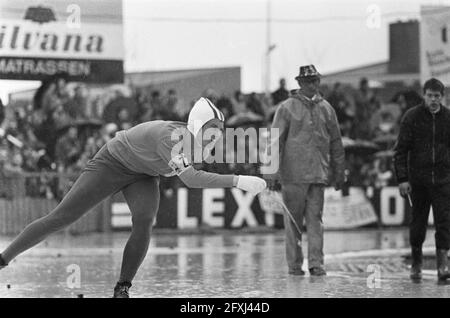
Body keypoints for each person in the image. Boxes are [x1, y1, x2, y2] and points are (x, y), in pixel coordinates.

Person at [0, 97, 267, 298]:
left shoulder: (201, 145)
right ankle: (3, 259)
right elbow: (191, 179)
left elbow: (197, 171)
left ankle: (122, 287)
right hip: (112, 162)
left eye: (219, 130)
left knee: (144, 221)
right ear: (197, 125)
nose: (216, 135)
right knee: (62, 217)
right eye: (212, 128)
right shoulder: (172, 138)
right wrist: (239, 181)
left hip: (144, 174)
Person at [265, 65, 345, 276]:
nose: (312, 84)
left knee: (315, 221)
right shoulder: (287, 107)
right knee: (294, 223)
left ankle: (316, 263)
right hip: (293, 175)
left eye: (315, 80)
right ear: (299, 83)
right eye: (308, 81)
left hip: (318, 174)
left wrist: (339, 172)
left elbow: (336, 142)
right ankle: (294, 265)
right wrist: (271, 174)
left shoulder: (327, 108)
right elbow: (275, 141)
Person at [393, 78, 450, 282]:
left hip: (443, 180)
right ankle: (416, 261)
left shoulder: (448, 117)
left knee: (444, 223)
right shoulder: (412, 117)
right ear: (424, 95)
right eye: (430, 95)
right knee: (418, 223)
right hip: (418, 181)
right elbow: (400, 151)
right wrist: (402, 179)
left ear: (442, 97)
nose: (433, 100)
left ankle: (443, 264)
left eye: (437, 96)